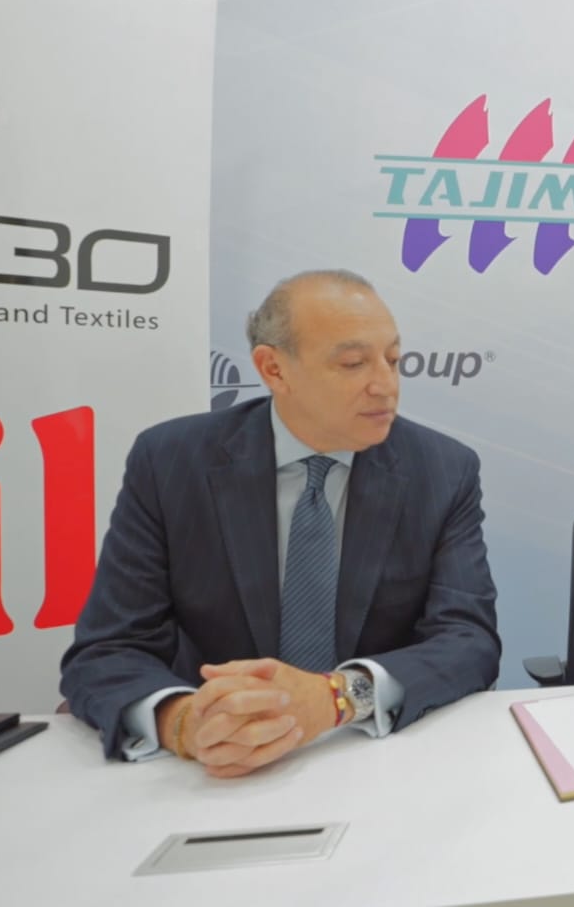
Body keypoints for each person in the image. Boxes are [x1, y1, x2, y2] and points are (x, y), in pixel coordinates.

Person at [60, 270, 500, 776]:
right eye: (353, 363)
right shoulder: (171, 461)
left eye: (394, 359)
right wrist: (184, 722)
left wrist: (337, 696)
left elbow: (468, 640)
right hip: (212, 770)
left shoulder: (442, 470)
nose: (385, 385)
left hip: (369, 757)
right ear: (273, 369)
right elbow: (108, 647)